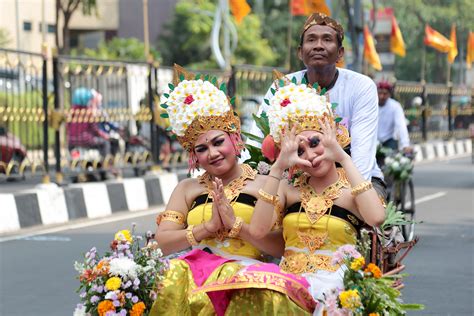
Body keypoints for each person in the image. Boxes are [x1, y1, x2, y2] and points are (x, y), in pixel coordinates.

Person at [198, 81, 386, 315]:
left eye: (315, 143)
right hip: (289, 285)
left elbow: (377, 217)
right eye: (299, 151)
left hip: (337, 287)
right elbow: (258, 231)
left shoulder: (351, 188)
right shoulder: (289, 189)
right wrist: (277, 168)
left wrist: (344, 158)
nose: (310, 155)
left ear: (333, 136)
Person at [149, 66, 315, 315]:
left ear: (235, 138)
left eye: (218, 142)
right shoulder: (187, 188)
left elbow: (282, 247)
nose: (213, 153)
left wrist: (235, 225)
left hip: (248, 280)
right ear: (194, 155)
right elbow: (163, 243)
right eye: (201, 149)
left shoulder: (267, 183)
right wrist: (208, 228)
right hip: (194, 276)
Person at [246, 13, 385, 198]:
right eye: (311, 40)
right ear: (300, 52)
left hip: (351, 177)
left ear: (340, 53)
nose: (318, 45)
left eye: (327, 39)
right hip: (293, 179)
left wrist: (354, 197)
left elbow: (362, 155)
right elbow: (256, 141)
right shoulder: (282, 86)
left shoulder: (361, 86)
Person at [66, 87, 112, 157]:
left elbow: (68, 126)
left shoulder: (71, 111)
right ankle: (106, 164)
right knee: (105, 143)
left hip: (72, 141)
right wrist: (105, 136)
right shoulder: (88, 112)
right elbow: (95, 129)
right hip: (86, 140)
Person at [377, 81, 411, 153]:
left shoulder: (395, 106)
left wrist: (405, 145)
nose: (381, 96)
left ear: (389, 94)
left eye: (385, 94)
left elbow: (401, 125)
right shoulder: (370, 104)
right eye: (379, 93)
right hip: (372, 141)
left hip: (389, 141)